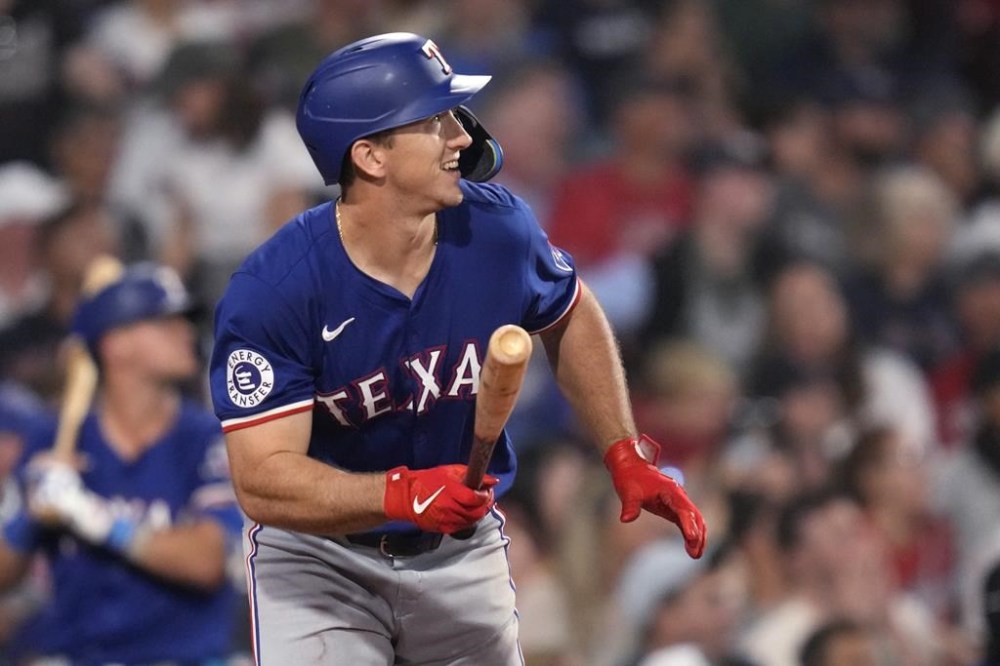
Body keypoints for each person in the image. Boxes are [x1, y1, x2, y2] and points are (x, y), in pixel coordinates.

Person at [209, 32, 706, 664]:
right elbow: (262, 481)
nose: (463, 138)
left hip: (460, 547)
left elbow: (572, 315)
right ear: (371, 157)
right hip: (321, 560)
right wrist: (399, 494)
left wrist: (623, 449)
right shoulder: (275, 291)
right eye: (434, 121)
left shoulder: (497, 228)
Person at [0, 262, 244, 663]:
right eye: (166, 323)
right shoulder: (55, 441)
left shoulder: (206, 439)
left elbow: (207, 562)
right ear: (116, 344)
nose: (186, 333)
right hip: (81, 654)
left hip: (186, 656)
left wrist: (85, 512)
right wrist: (29, 515)